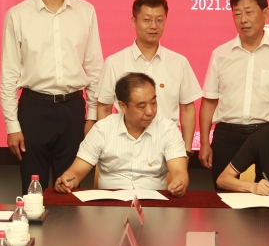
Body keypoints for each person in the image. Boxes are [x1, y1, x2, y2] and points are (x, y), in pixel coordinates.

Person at [0, 0, 104, 187]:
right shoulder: (18, 15)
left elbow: (95, 69)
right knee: (32, 190)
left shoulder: (85, 11)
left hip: (73, 111)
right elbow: (8, 75)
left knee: (70, 188)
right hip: (34, 109)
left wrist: (91, 117)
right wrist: (12, 125)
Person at [199, 0, 269, 184]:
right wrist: (204, 143)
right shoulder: (220, 54)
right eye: (237, 14)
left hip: (267, 135)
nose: (243, 19)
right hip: (227, 136)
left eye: (249, 12)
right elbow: (209, 102)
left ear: (265, 13)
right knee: (224, 195)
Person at [97, 0, 202, 153]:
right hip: (124, 146)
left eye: (159, 20)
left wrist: (186, 150)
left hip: (168, 147)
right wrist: (105, 147)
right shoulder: (114, 62)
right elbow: (104, 108)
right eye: (147, 20)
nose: (153, 26)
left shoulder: (179, 62)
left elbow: (187, 109)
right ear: (134, 21)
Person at [55, 73, 189, 196]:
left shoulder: (168, 129)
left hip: (153, 205)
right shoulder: (102, 129)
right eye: (141, 106)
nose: (150, 111)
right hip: (110, 205)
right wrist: (67, 180)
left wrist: (180, 183)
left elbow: (179, 172)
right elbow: (75, 172)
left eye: (153, 103)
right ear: (123, 106)